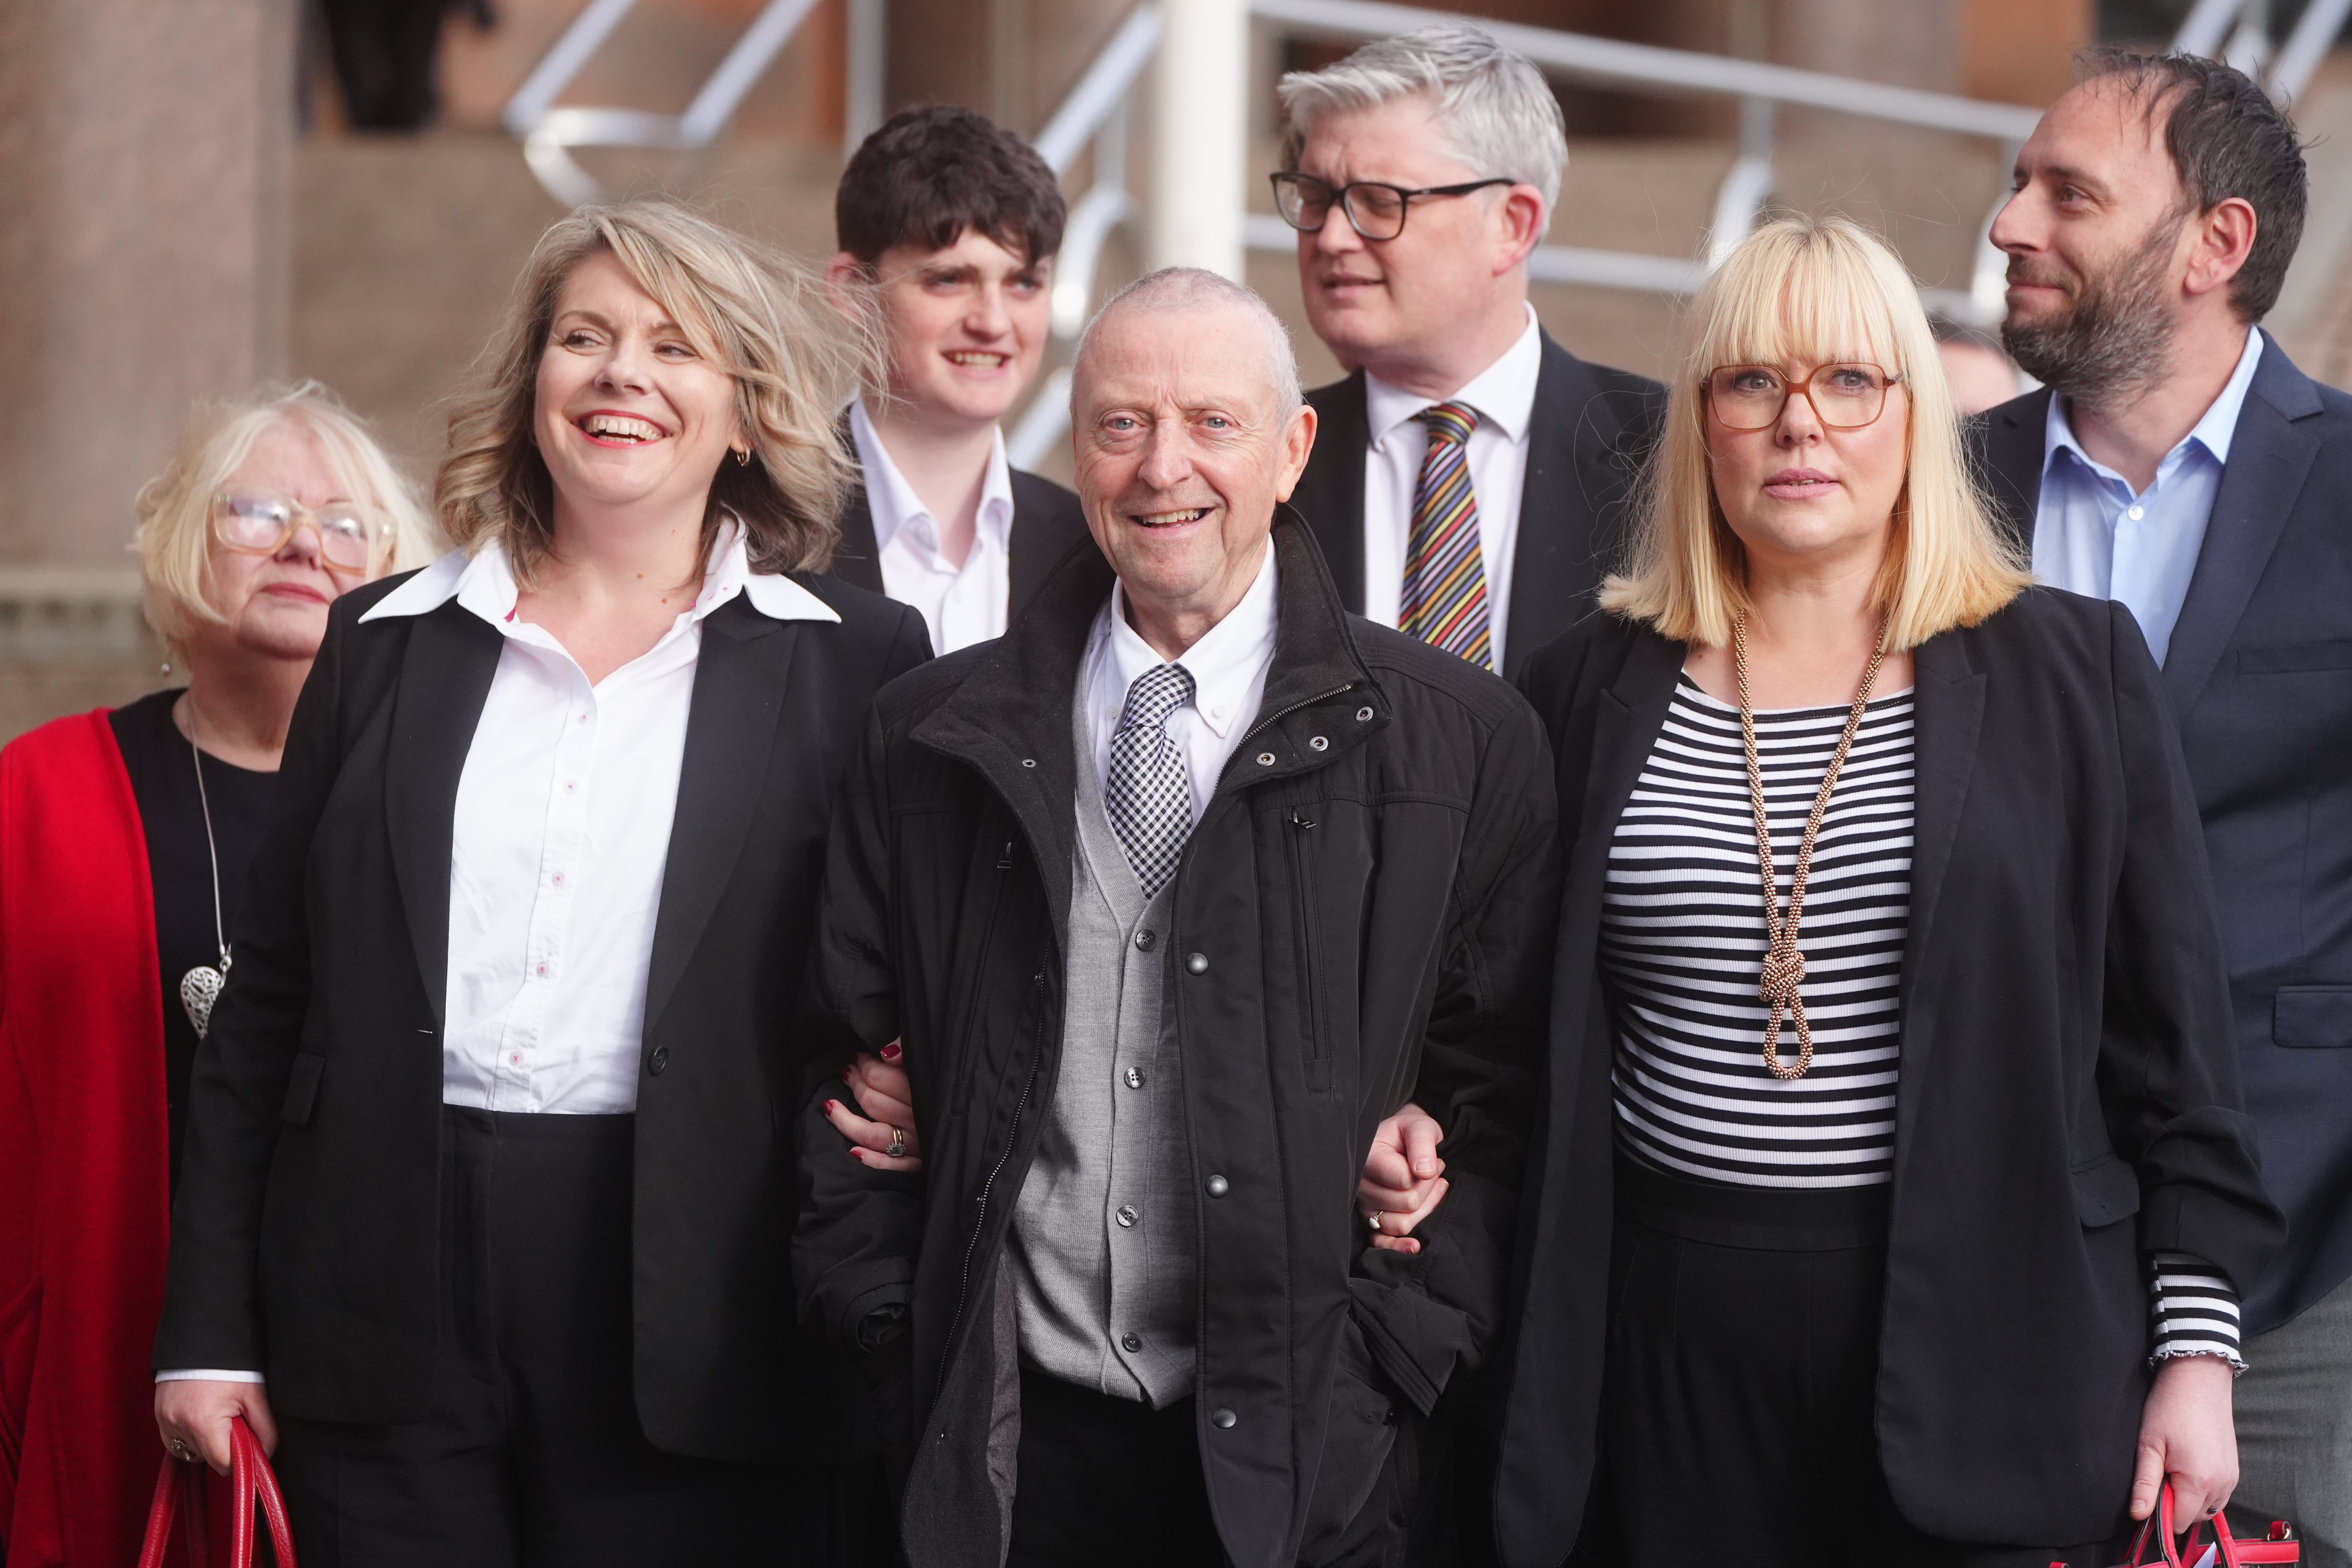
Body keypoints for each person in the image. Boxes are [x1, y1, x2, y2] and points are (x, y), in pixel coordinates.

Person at [1495, 215, 2281, 1568]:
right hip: (1666, 1338)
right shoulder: (1581, 687)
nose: (1801, 422)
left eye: (1849, 380)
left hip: (1992, 1325)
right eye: (1754, 382)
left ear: (1915, 417)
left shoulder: (2071, 675)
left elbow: (2180, 1066)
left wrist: (2196, 1359)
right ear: (1703, 425)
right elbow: (1519, 1032)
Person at [153, 200, 931, 1564]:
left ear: (744, 409)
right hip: (380, 1283)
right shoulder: (380, 643)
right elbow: (267, 1005)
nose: (623, 372)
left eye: (675, 347)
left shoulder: (857, 662)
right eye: (585, 338)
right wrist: (208, 1333)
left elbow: (906, 972)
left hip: (703, 1291)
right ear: (533, 389)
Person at [795, 267, 1557, 1568]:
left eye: (1212, 422)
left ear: (1291, 450)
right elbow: (834, 1062)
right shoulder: (925, 736)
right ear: (1074, 448)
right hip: (1007, 1452)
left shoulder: (1461, 744)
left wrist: (1389, 1363)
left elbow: (1502, 1097)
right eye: (1120, 425)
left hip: (1315, 1457)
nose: (1163, 469)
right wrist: (891, 1333)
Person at [1972, 50, 2352, 1563]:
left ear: (2218, 245)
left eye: (2070, 193)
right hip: (1983, 1224)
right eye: (2017, 182)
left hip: (2307, 1236)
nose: (2010, 224)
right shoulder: (1933, 499)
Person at [0, 384, 428, 1568]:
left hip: (371, 1368)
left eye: (350, 527)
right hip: (93, 1333)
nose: (303, 545)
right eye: (257, 511)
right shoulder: (33, 797)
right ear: (184, 543)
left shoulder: (443, 811)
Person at [1274, 22, 1663, 682]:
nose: (1333, 236)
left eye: (1378, 201)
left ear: (1512, 226)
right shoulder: (1261, 461)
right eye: (1316, 198)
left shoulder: (1672, 453)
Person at [824, 104, 1094, 654]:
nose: (993, 322)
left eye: (1024, 283)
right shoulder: (759, 523)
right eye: (950, 280)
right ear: (854, 290)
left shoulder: (1090, 547)